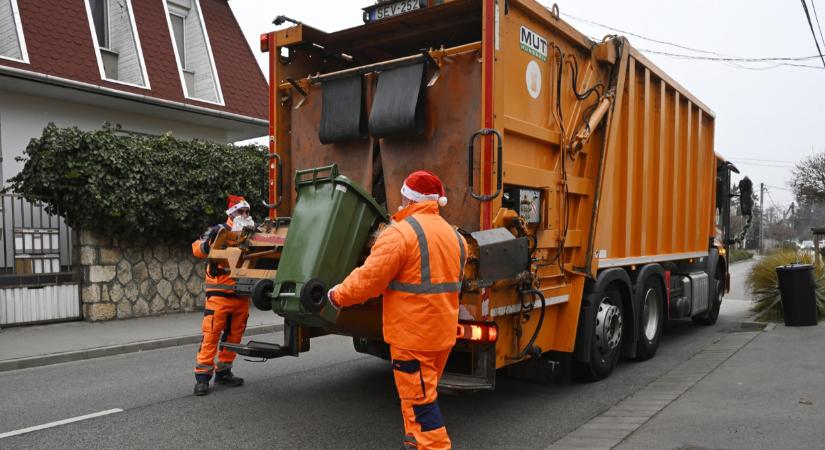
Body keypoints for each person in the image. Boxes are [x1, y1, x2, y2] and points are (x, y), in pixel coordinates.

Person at [328, 171, 466, 450]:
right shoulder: (456, 236)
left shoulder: (400, 234)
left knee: (421, 404)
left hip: (412, 337)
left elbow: (369, 280)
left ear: (408, 197)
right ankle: (414, 440)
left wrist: (337, 295)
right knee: (421, 395)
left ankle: (431, 445)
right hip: (442, 334)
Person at [191, 195, 254, 396]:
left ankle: (224, 371)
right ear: (231, 213)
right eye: (240, 211)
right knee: (211, 335)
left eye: (247, 211)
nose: (244, 215)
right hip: (219, 295)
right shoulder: (219, 231)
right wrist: (209, 243)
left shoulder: (251, 233)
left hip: (241, 295)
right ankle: (202, 378)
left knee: (234, 336)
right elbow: (197, 249)